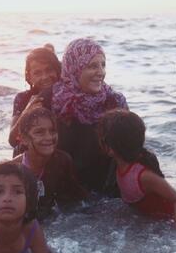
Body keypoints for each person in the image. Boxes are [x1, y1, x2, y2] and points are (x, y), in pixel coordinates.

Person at [39, 38, 128, 195]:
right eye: (92, 66)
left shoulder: (114, 101)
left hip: (105, 194)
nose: (100, 72)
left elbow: (130, 149)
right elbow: (26, 143)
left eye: (103, 65)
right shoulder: (50, 99)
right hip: (62, 194)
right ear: (74, 68)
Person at [98, 109, 176, 230]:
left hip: (170, 222)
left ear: (111, 148)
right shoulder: (117, 164)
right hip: (152, 221)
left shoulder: (143, 176)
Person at [13, 107, 87, 219]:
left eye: (52, 131)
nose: (48, 137)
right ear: (24, 139)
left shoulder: (62, 161)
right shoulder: (13, 170)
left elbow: (74, 200)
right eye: (39, 132)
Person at [9, 45, 61, 156]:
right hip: (30, 161)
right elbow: (13, 141)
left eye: (49, 70)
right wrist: (27, 111)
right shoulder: (23, 99)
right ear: (29, 77)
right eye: (37, 73)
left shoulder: (68, 98)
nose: (45, 77)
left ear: (57, 70)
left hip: (62, 159)